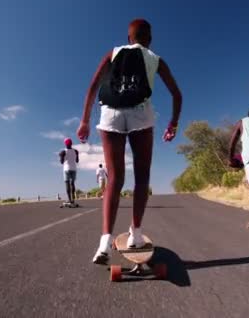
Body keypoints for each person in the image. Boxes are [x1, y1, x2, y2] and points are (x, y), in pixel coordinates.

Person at [77, 18, 182, 264]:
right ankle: (135, 234)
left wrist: (84, 121)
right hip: (140, 114)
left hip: (110, 114)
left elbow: (93, 86)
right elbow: (177, 95)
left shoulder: (113, 53)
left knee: (115, 178)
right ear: (150, 39)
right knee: (142, 174)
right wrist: (173, 123)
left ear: (128, 38)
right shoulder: (155, 59)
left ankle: (104, 242)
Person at [59, 138, 79, 208]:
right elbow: (77, 161)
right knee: (72, 183)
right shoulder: (76, 151)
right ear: (71, 143)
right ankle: (73, 199)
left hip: (66, 169)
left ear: (65, 144)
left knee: (67, 184)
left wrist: (61, 156)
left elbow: (61, 162)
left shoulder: (63, 152)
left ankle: (69, 200)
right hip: (74, 169)